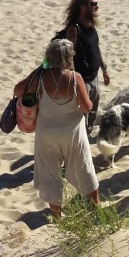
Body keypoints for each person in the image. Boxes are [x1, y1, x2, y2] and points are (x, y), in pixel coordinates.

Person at [16, 38, 101, 218]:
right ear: (68, 57)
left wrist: (40, 69)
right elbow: (87, 107)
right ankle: (96, 210)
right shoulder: (75, 78)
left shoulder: (40, 77)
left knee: (50, 175)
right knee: (84, 170)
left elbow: (17, 91)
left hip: (46, 133)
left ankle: (57, 217)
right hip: (72, 134)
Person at [58, 0, 110, 129]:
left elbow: (96, 48)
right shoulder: (74, 29)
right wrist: (75, 79)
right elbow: (69, 56)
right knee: (82, 113)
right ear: (82, 7)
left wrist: (104, 69)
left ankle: (88, 133)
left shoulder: (91, 25)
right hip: (82, 80)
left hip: (94, 77)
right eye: (93, 4)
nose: (96, 7)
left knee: (92, 109)